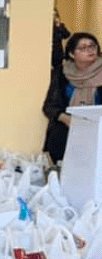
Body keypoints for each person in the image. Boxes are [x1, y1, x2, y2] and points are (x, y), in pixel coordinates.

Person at [43, 32, 102, 164]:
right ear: (71, 54)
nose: (90, 50)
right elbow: (50, 106)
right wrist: (66, 119)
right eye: (83, 48)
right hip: (68, 131)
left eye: (92, 46)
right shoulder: (62, 73)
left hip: (98, 131)